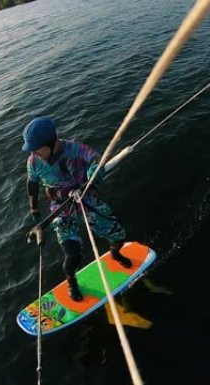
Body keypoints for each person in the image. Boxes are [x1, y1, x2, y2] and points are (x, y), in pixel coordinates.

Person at [23, 117, 132, 302]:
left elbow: (96, 158)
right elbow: (32, 184)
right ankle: (71, 282)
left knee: (119, 235)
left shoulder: (76, 149)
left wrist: (94, 170)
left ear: (51, 142)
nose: (34, 152)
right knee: (72, 254)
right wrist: (33, 208)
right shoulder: (33, 161)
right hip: (61, 209)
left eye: (37, 148)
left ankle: (115, 252)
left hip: (87, 200)